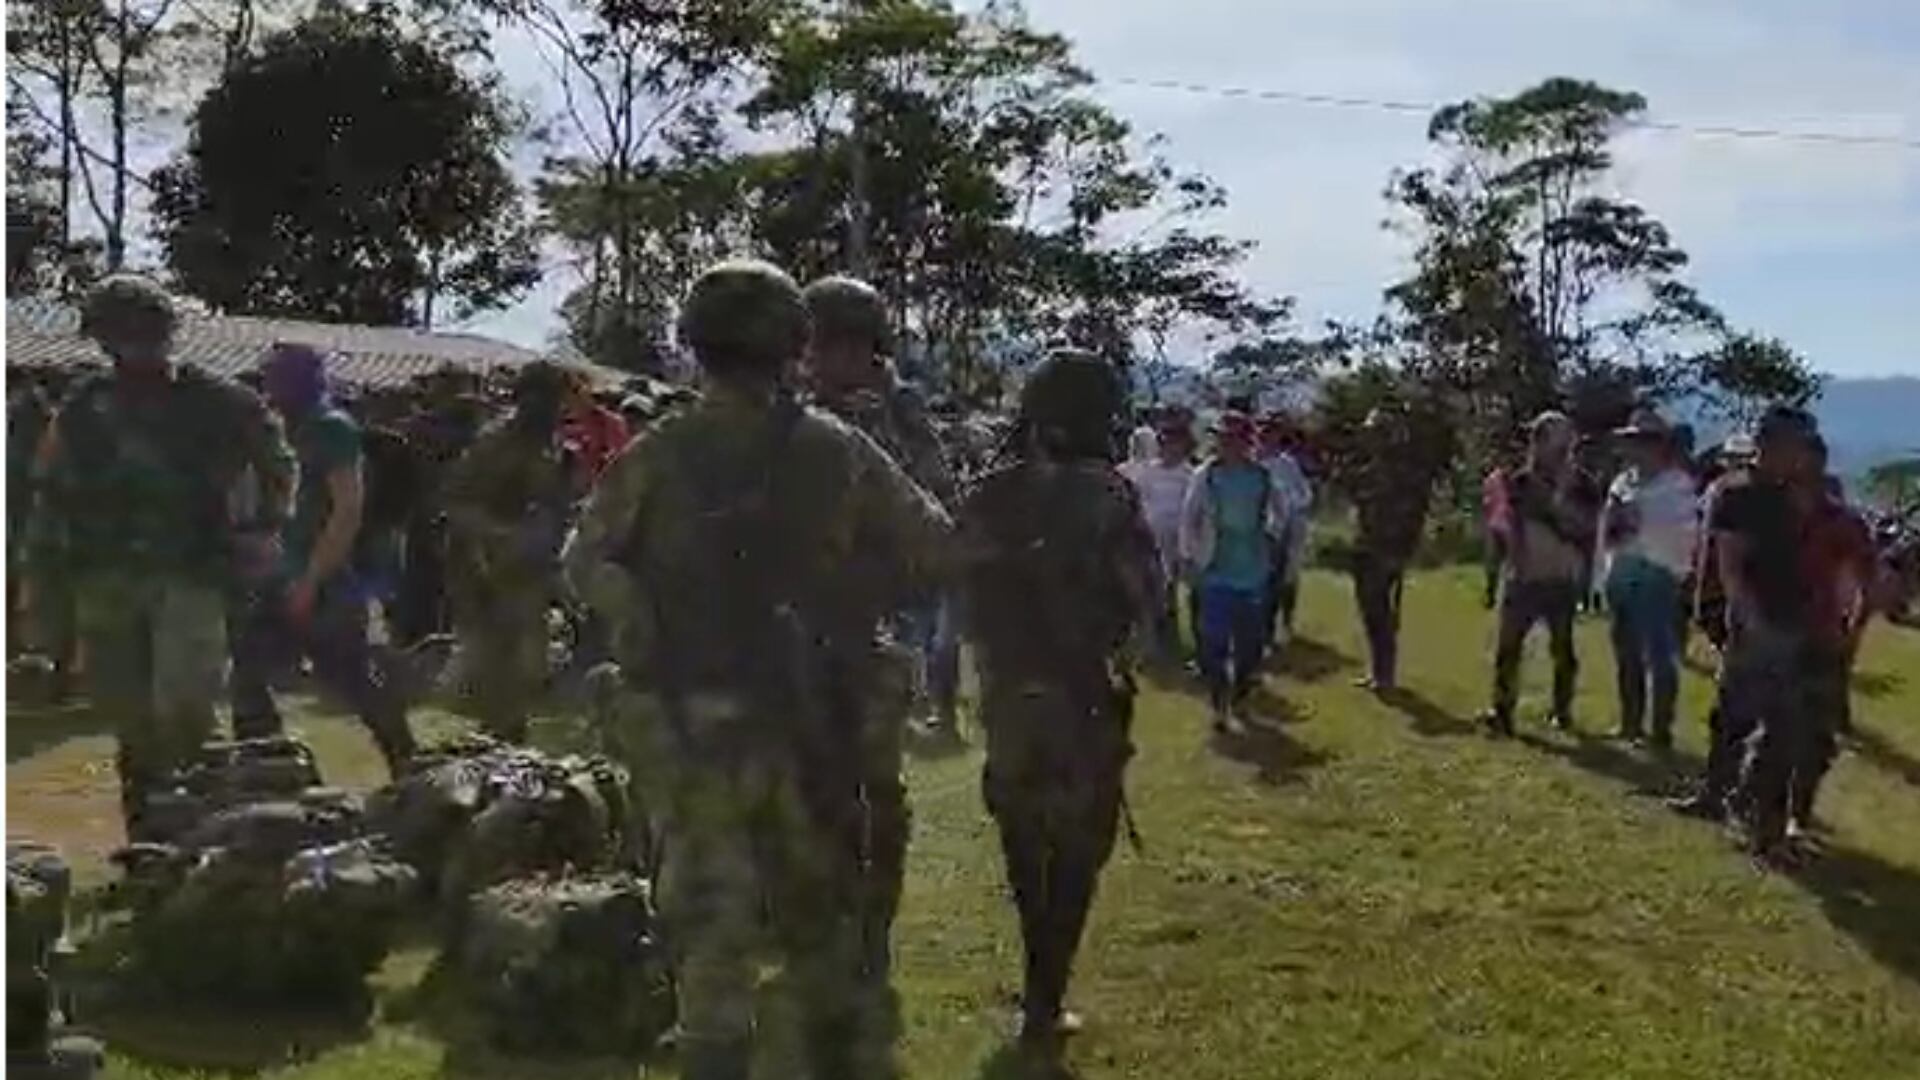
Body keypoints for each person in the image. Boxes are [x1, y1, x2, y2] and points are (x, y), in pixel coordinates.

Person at [564, 260, 950, 1080]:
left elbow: (585, 560)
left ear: (695, 346)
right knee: (824, 919)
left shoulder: (659, 451)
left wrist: (634, 613)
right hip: (816, 718)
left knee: (709, 924)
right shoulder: (838, 448)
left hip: (691, 716)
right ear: (794, 348)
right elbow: (933, 547)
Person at [30, 276, 295, 839]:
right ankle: (147, 838)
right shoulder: (86, 403)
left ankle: (204, 836)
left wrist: (262, 529)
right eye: (117, 335)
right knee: (129, 715)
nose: (129, 346)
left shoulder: (216, 398)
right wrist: (46, 575)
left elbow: (277, 459)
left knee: (186, 708)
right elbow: (52, 488)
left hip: (190, 570)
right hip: (106, 574)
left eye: (140, 333)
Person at [956, 349, 1157, 1055]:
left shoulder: (985, 489)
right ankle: (1046, 993)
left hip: (1008, 694)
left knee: (1021, 838)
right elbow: (1144, 599)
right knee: (1077, 850)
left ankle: (1038, 982)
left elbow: (959, 588)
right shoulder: (1110, 495)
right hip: (1083, 699)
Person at [227, 344, 417, 776]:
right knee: (248, 676)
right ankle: (268, 772)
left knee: (354, 680)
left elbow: (347, 509)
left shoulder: (331, 428)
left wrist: (312, 580)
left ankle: (408, 765)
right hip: (275, 575)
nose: (269, 387)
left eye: (277, 378)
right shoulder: (277, 429)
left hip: (323, 579)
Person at [801, 275, 961, 742]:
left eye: (841, 347)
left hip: (870, 611)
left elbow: (939, 506)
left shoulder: (897, 413)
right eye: (819, 347)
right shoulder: (788, 411)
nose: (823, 360)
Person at [1711, 407, 1826, 864]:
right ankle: (1746, 816)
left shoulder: (1791, 496)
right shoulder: (1737, 495)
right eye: (1796, 445)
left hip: (1792, 622)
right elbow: (1730, 564)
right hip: (1758, 625)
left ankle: (1759, 823)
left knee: (1783, 732)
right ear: (1772, 444)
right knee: (1751, 724)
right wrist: (1749, 618)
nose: (1802, 455)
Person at [442, 361, 577, 742]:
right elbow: (456, 505)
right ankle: (496, 737)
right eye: (546, 398)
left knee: (528, 668)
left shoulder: (553, 445)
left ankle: (507, 735)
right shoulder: (493, 445)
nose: (554, 408)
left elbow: (557, 503)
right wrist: (501, 536)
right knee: (495, 666)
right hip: (487, 570)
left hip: (531, 569)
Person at [1483, 411, 1598, 736]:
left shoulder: (1584, 485)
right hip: (1523, 577)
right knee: (1508, 648)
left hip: (1562, 577)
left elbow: (1588, 531)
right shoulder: (1517, 483)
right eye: (1541, 438)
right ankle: (1502, 711)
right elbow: (1502, 531)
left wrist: (1558, 500)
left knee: (1563, 650)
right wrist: (1495, 574)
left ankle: (1562, 711)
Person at [1786, 442, 1877, 838]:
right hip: (1771, 634)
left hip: (1821, 637)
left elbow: (1867, 579)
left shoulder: (1843, 523)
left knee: (1816, 735)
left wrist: (1854, 628)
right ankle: (1764, 812)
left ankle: (1797, 814)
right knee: (1767, 728)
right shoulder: (1768, 515)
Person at [1180, 411, 1289, 731]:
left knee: (1249, 645)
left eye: (1234, 439)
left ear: (1247, 442)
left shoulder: (1262, 476)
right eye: (1222, 439)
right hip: (1215, 568)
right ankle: (1219, 704)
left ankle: (1240, 694)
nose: (1227, 445)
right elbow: (1190, 518)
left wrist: (1271, 538)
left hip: (1252, 569)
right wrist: (1189, 557)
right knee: (1213, 643)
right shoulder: (1206, 475)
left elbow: (1281, 512)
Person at [1598, 408, 1697, 748]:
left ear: (1659, 446)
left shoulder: (1677, 485)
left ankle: (1660, 730)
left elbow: (1680, 532)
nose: (1636, 448)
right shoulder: (1622, 482)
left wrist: (1637, 519)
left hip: (1657, 575)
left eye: (1644, 442)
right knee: (1626, 653)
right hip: (1623, 573)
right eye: (1633, 441)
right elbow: (1609, 528)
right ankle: (1630, 723)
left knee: (1659, 654)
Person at [1341, 405, 1440, 692]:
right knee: (1371, 612)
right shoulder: (1369, 469)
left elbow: (1414, 515)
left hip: (1387, 550)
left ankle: (1386, 674)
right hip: (1365, 547)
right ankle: (1377, 670)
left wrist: (1402, 552)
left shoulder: (1405, 474)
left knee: (1382, 614)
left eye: (1377, 433)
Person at [1120, 415, 1195, 665]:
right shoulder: (1147, 472)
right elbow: (1137, 503)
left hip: (1175, 541)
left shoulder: (1190, 475)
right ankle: (1147, 644)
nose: (1168, 448)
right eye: (1164, 442)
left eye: (1174, 442)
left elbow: (1192, 510)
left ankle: (1169, 642)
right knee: (1146, 593)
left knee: (1168, 593)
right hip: (1147, 542)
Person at [1258, 416, 1314, 643]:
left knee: (1287, 576)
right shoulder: (1253, 464)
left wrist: (1293, 508)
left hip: (1289, 526)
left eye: (1272, 433)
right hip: (1262, 529)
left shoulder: (1287, 464)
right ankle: (1264, 628)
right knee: (1265, 580)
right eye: (1264, 433)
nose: (1268, 438)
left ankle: (1286, 623)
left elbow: (1304, 493)